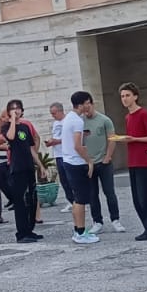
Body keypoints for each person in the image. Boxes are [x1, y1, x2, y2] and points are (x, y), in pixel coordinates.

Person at [113, 83, 147, 241]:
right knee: (137, 198)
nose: (125, 99)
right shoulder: (128, 117)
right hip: (133, 161)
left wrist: (135, 139)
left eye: (128, 95)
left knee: (146, 197)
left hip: (144, 160)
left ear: (135, 96)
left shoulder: (144, 114)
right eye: (122, 96)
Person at [75, 93, 123, 233]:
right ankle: (97, 221)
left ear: (92, 104)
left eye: (88, 104)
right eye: (84, 105)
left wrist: (107, 157)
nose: (86, 108)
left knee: (109, 192)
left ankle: (115, 219)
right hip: (89, 163)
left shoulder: (104, 120)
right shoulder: (80, 122)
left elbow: (112, 138)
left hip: (104, 162)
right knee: (92, 194)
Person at [0, 100, 43, 243]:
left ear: (22, 111)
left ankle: (29, 229)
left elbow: (31, 148)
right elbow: (10, 137)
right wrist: (12, 121)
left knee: (31, 199)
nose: (16, 111)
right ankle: (21, 233)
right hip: (17, 168)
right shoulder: (7, 127)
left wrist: (41, 165)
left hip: (29, 166)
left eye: (18, 108)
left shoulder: (25, 127)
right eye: (12, 109)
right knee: (20, 201)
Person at [56, 93, 99, 244]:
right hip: (76, 162)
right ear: (80, 105)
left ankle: (78, 230)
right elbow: (77, 145)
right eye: (87, 103)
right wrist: (89, 161)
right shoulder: (77, 121)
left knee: (76, 198)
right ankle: (81, 232)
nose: (89, 105)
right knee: (81, 199)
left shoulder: (69, 118)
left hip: (68, 161)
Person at [46, 102, 71, 213]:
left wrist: (56, 141)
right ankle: (70, 201)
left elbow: (69, 137)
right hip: (58, 154)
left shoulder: (68, 121)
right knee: (64, 180)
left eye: (54, 113)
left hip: (67, 153)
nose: (53, 115)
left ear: (61, 111)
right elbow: (56, 136)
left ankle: (79, 201)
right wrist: (51, 141)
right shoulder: (56, 123)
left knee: (70, 179)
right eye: (51, 113)